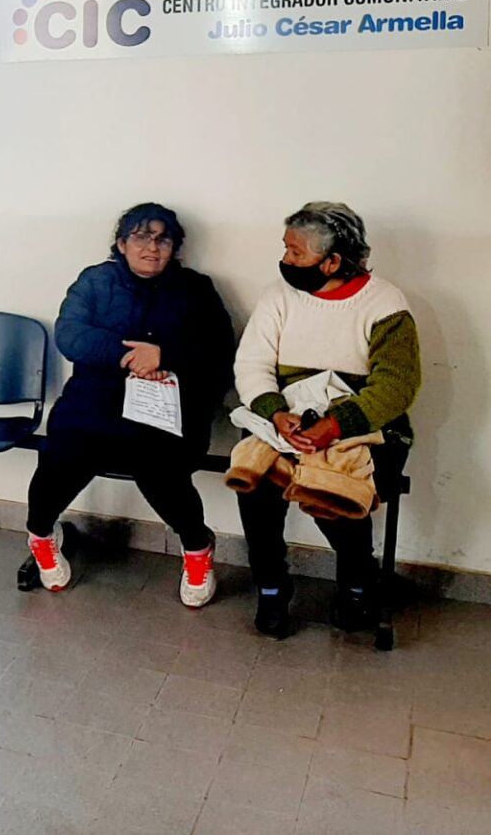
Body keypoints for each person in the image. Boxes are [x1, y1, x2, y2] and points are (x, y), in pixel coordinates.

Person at [23, 203, 234, 606]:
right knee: (62, 454)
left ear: (174, 247)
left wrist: (165, 355)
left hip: (171, 404)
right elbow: (70, 335)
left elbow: (219, 349)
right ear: (121, 244)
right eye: (141, 237)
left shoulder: (196, 288)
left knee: (161, 466)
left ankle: (197, 547)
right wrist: (129, 356)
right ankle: (41, 535)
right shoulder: (95, 281)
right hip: (96, 400)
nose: (152, 248)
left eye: (163, 240)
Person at [233, 202, 420, 639]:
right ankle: (272, 587)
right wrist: (275, 413)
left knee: (335, 486)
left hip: (362, 429)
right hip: (288, 422)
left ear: (333, 261)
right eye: (285, 249)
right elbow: (252, 364)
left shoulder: (385, 303)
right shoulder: (277, 296)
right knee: (254, 480)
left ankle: (357, 584)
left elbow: (396, 385)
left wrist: (334, 427)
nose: (285, 260)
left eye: (296, 252)